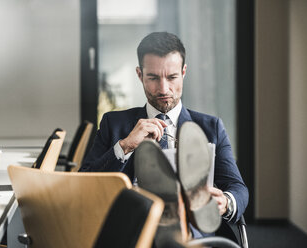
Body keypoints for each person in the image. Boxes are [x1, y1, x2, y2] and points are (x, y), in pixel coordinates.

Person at [80, 31, 248, 238]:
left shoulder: (211, 127)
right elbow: (84, 183)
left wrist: (226, 202)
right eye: (153, 77)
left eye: (172, 77)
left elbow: (237, 187)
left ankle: (179, 215)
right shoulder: (113, 124)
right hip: (133, 230)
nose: (163, 88)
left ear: (184, 72)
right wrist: (125, 146)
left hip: (194, 231)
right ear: (139, 74)